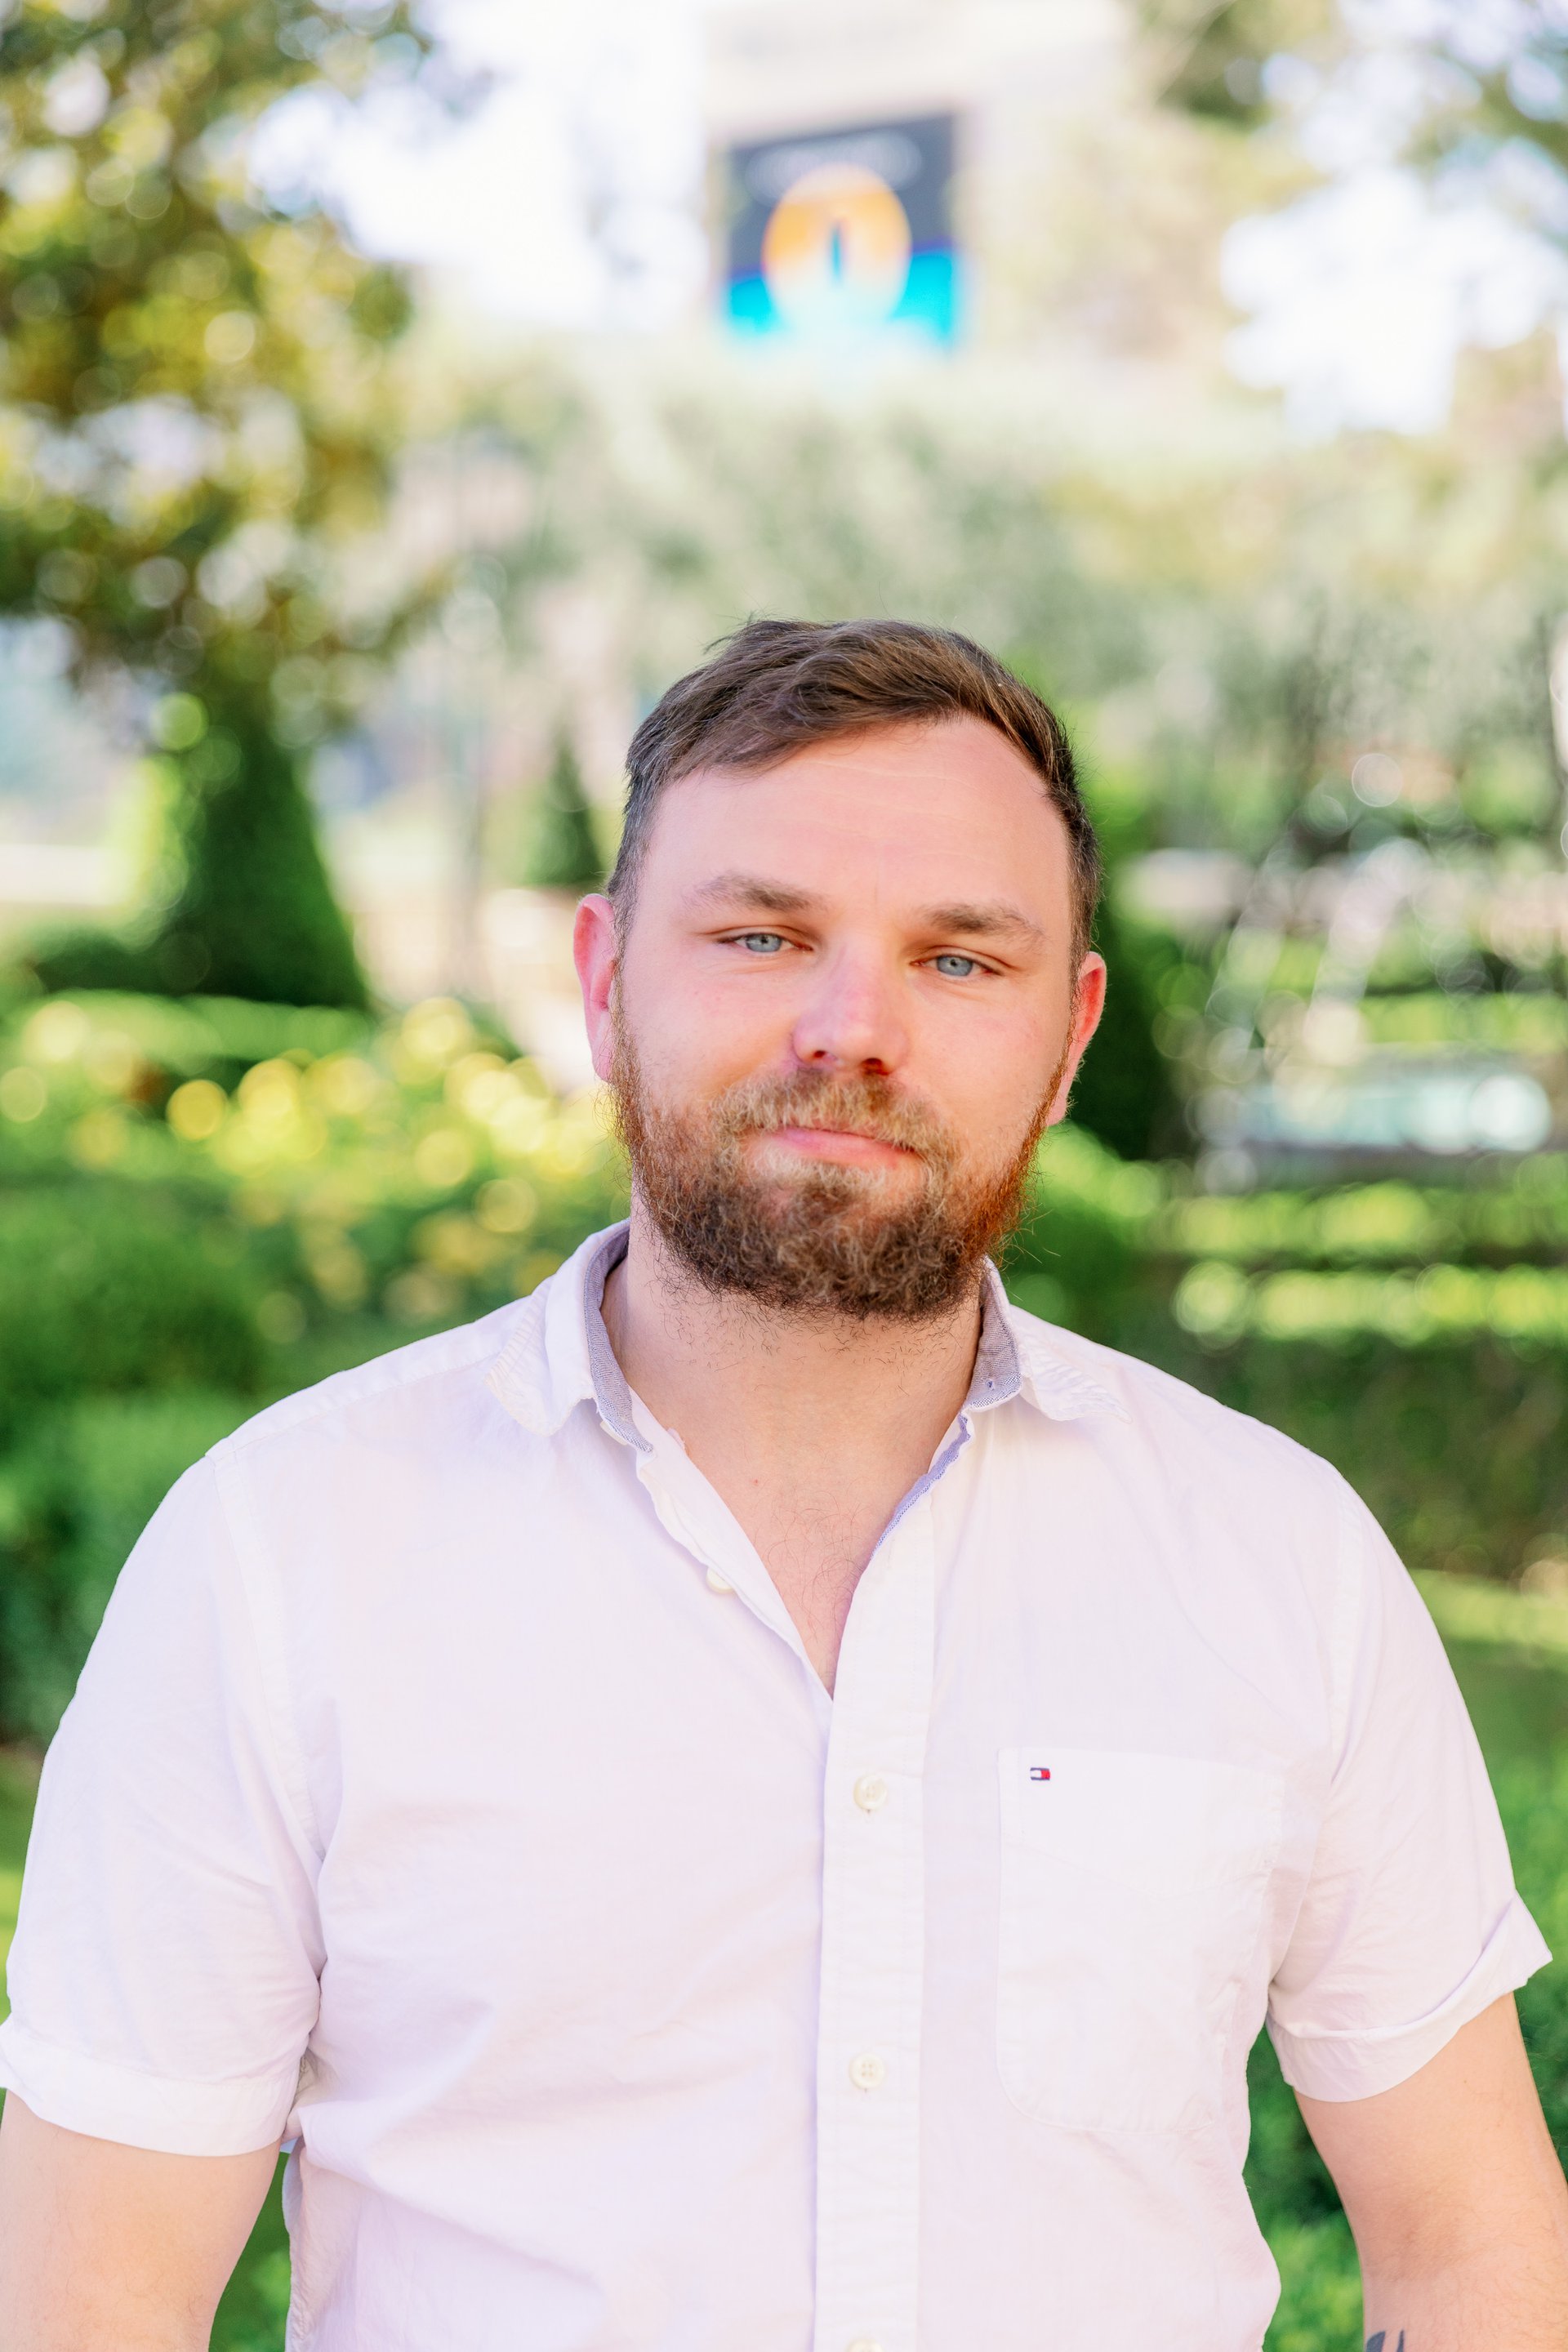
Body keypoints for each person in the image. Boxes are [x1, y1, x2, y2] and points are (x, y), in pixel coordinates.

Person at [1, 619, 1565, 2352]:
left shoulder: (1280, 1557)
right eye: (762, 936)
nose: (853, 1029)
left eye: (959, 959)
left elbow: (1472, 2247)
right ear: (605, 983)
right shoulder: (280, 1553)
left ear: (1069, 1036)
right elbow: (93, 2304)